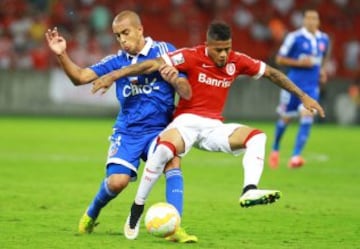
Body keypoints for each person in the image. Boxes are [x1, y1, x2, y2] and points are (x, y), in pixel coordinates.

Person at [91, 20, 325, 240]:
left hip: (213, 127)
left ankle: (249, 189)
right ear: (207, 46)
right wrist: (113, 75)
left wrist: (303, 96)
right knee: (163, 152)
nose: (223, 55)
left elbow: (272, 73)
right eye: (218, 50)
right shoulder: (191, 56)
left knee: (257, 137)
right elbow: (151, 64)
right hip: (185, 123)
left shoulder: (237, 60)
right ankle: (137, 207)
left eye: (227, 49)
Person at [45, 10, 198, 243]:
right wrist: (61, 54)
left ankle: (175, 226)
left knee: (172, 161)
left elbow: (186, 90)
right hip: (128, 132)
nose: (122, 40)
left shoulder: (166, 51)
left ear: (140, 30)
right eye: (117, 36)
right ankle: (92, 212)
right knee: (118, 182)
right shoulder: (116, 61)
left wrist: (175, 78)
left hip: (160, 130)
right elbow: (80, 77)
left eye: (126, 33)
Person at [268, 10, 331, 169]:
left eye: (314, 18)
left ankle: (296, 156)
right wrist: (299, 63)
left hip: (311, 87)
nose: (311, 21)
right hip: (292, 86)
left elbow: (322, 58)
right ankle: (275, 149)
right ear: (303, 21)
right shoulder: (294, 37)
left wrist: (322, 70)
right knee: (285, 119)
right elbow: (279, 59)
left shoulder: (324, 38)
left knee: (307, 115)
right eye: (308, 18)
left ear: (318, 21)